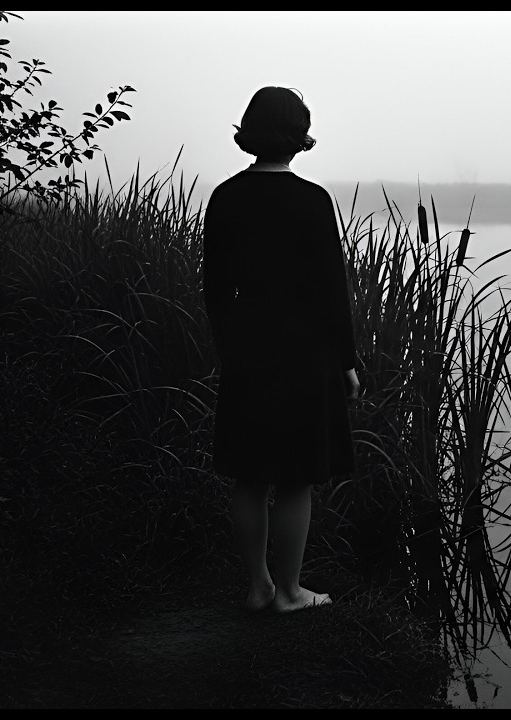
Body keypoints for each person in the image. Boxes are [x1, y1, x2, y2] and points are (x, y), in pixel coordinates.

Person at [203, 86, 359, 613]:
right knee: (295, 479)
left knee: (250, 476)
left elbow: (216, 288)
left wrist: (229, 347)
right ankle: (290, 593)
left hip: (247, 351)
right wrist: (347, 360)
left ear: (250, 129)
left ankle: (257, 589)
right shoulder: (313, 201)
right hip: (305, 355)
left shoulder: (225, 197)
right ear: (298, 135)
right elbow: (331, 290)